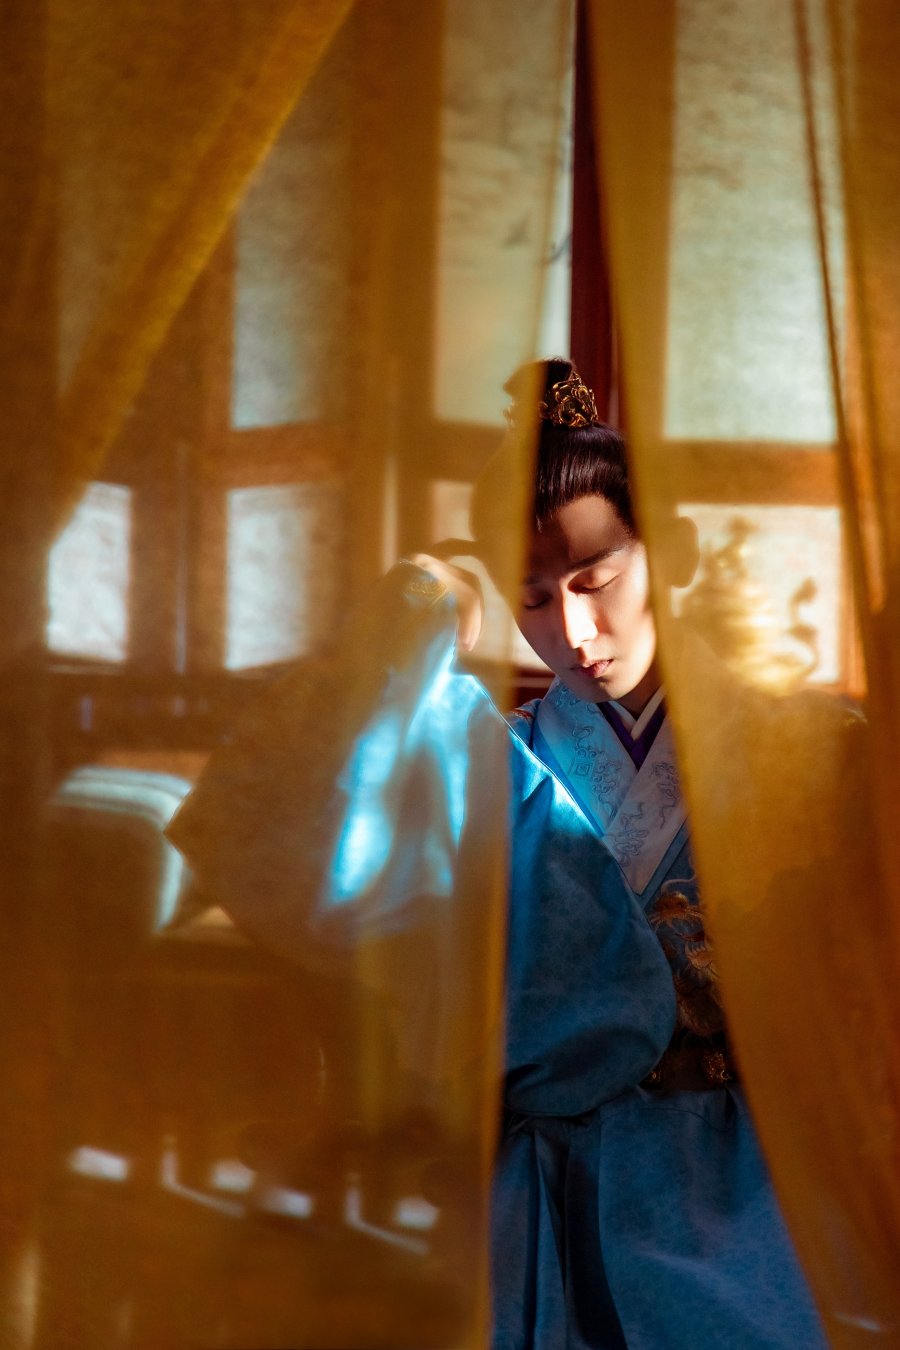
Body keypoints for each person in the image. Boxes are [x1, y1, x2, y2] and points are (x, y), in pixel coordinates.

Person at [168, 359, 827, 1349]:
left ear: (673, 552)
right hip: (546, 1189)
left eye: (596, 581)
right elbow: (283, 827)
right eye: (532, 599)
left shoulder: (802, 754)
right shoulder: (490, 765)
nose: (572, 630)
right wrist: (420, 604)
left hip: (745, 1185)